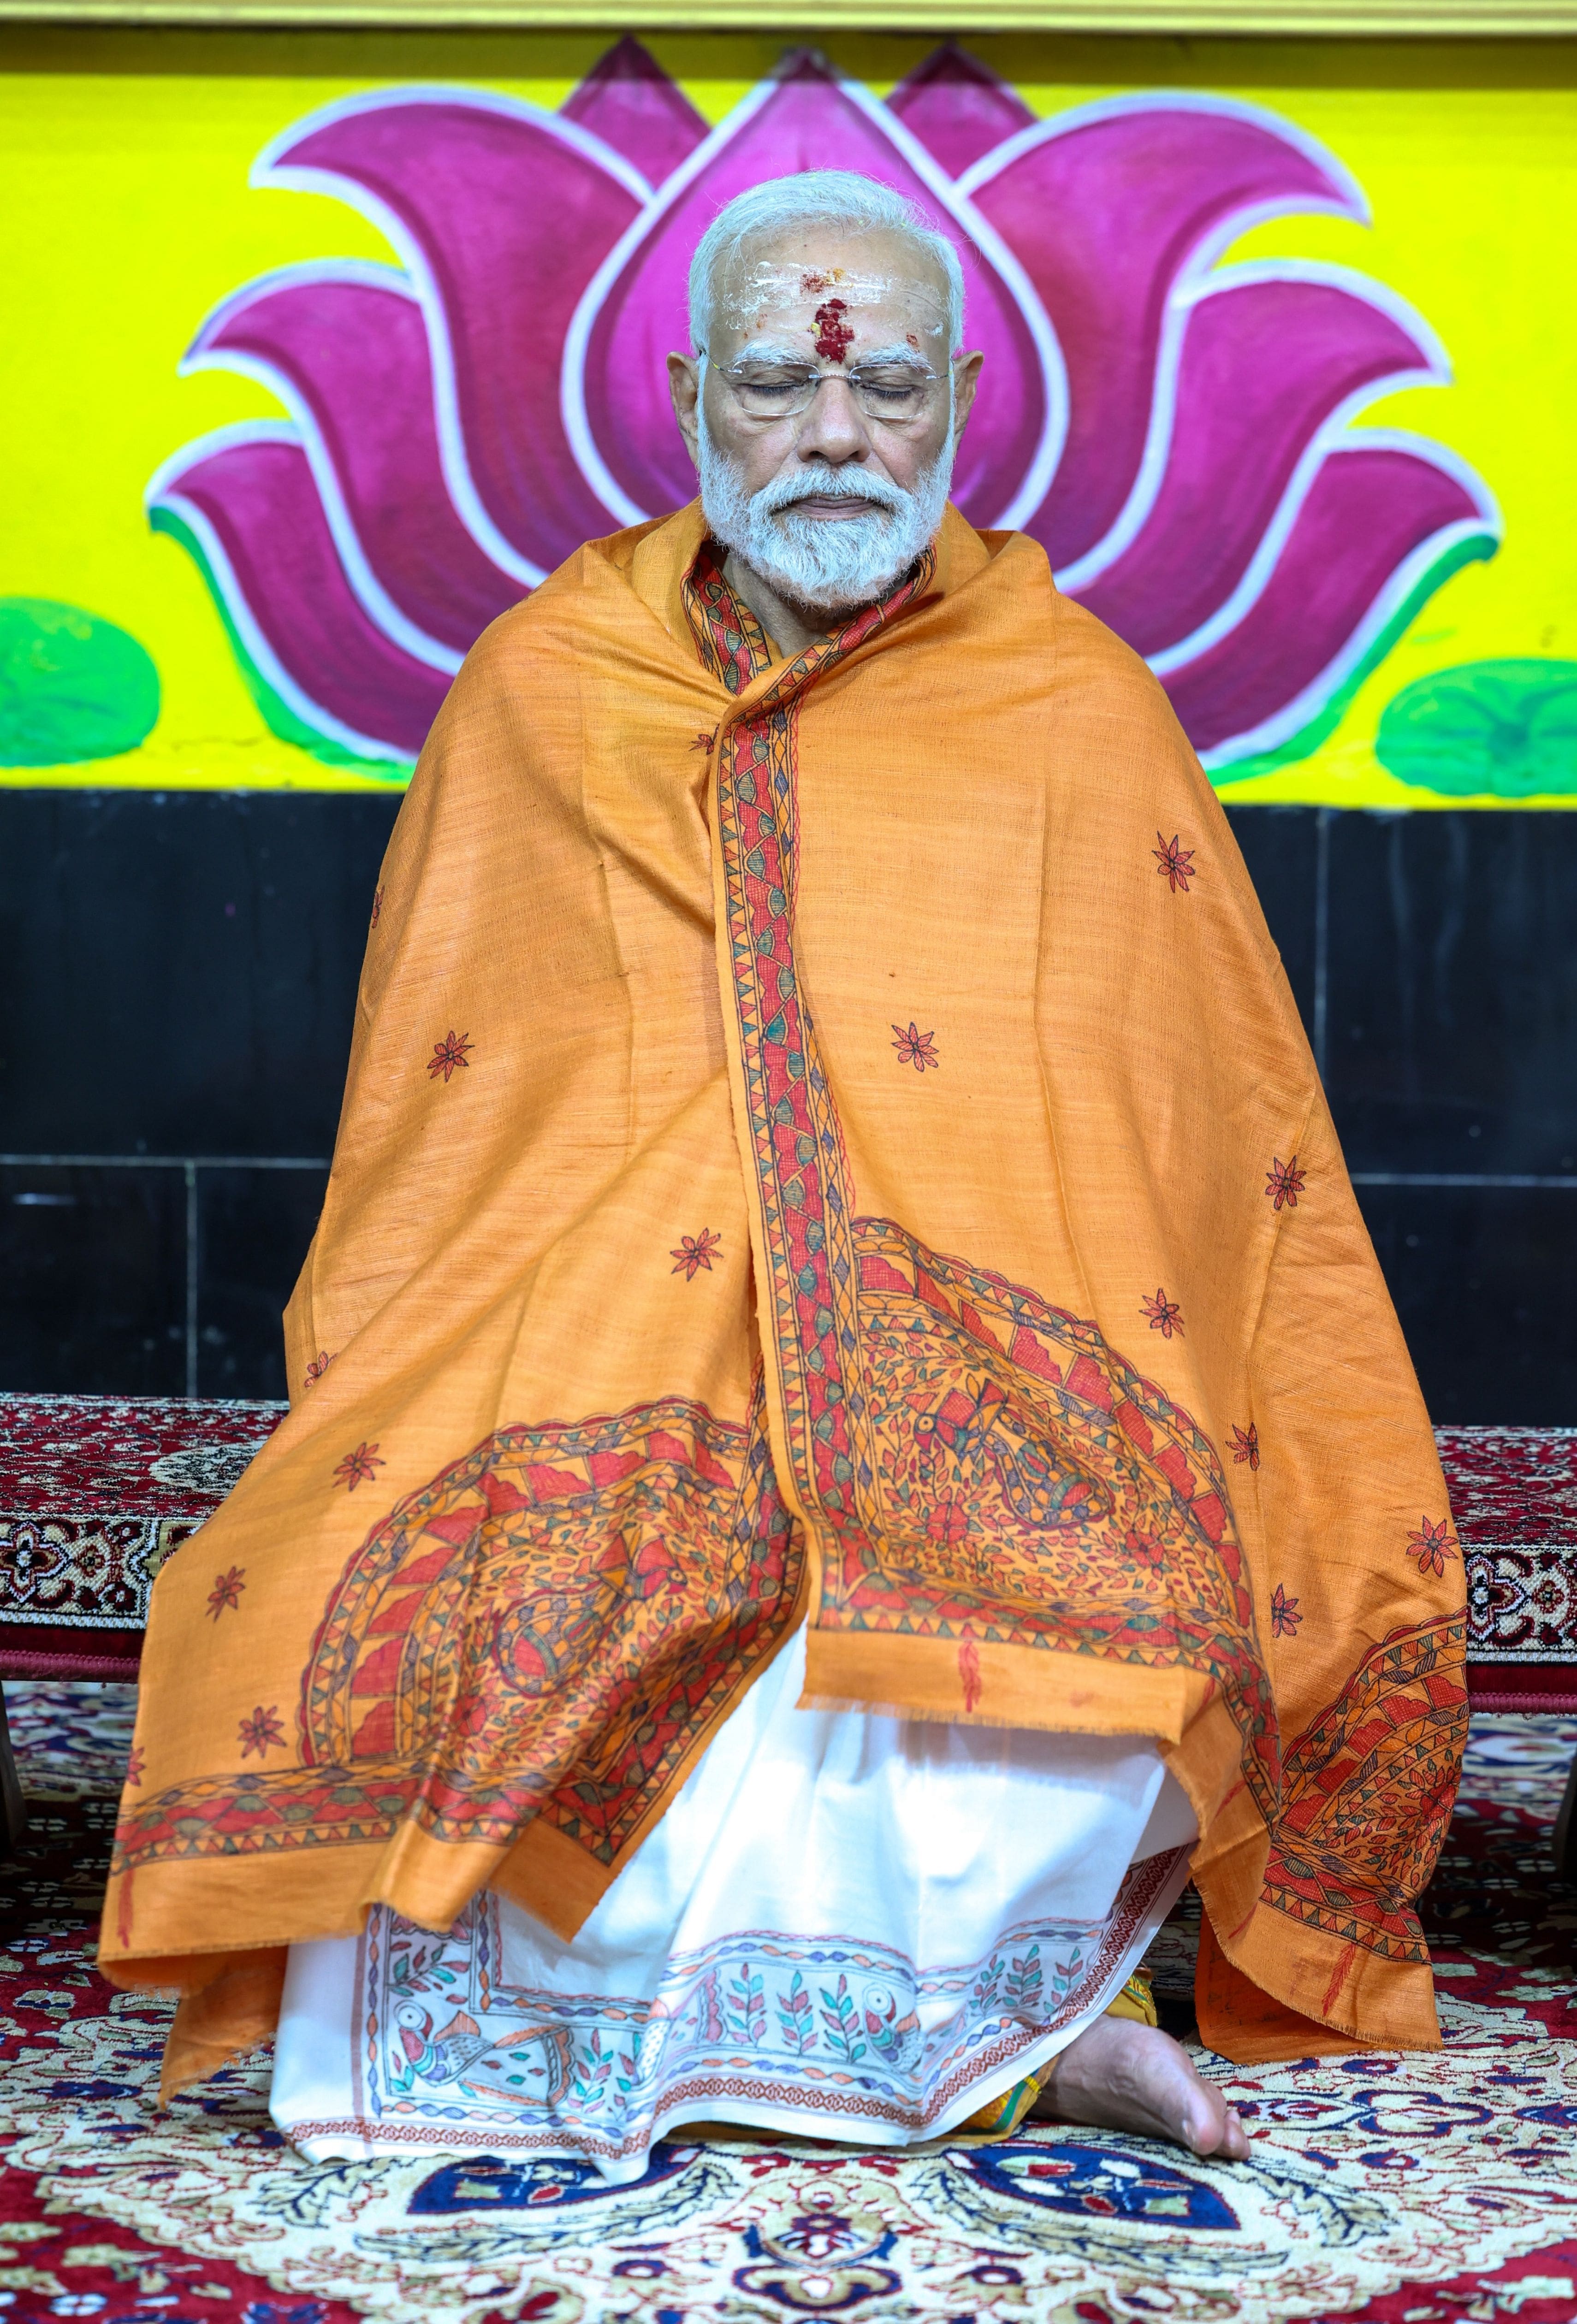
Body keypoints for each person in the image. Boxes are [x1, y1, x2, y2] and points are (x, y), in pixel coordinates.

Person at [100, 171, 1466, 2183]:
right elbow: (446, 1130)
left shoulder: (1072, 704)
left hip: (987, 1364)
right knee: (488, 1577)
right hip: (591, 1348)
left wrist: (903, 1343)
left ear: (963, 403)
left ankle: (1023, 2024)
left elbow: (1199, 1143)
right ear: (684, 399)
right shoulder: (548, 686)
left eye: (889, 388)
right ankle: (802, 2053)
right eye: (776, 385)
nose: (835, 435)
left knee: (1093, 1579)